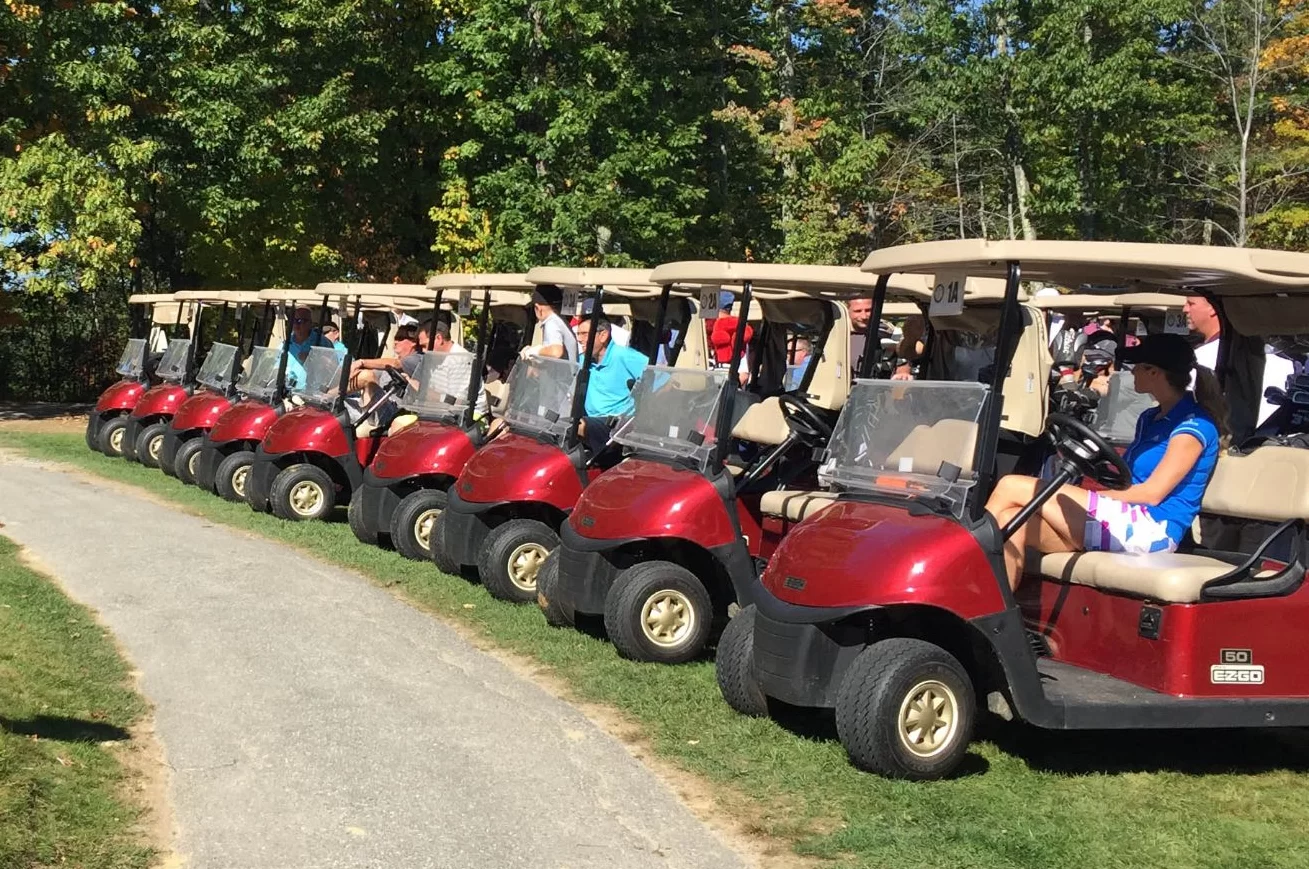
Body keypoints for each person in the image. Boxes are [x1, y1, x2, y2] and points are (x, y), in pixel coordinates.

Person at [983, 333, 1227, 591]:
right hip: (1127, 517)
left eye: (1136, 368)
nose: (1130, 374)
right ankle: (992, 616)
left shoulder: (1193, 426)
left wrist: (1090, 495)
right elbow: (1128, 476)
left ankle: (964, 576)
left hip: (1152, 528)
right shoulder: (1150, 417)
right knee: (1012, 521)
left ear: (1154, 372)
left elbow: (1152, 494)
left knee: (1011, 485)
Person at [1185, 294, 1293, 425]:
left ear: (1212, 309)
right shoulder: (1285, 363)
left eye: (1191, 304)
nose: (1185, 309)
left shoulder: (1199, 358)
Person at [575, 317, 648, 458]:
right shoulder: (583, 359)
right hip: (591, 418)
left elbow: (662, 378)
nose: (579, 339)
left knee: (575, 427)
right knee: (559, 424)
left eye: (584, 334)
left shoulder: (624, 356)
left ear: (603, 335)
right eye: (578, 334)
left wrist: (643, 410)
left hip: (616, 422)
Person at [526, 285, 579, 360]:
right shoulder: (561, 321)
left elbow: (556, 352)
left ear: (538, 308)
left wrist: (533, 351)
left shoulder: (551, 323)